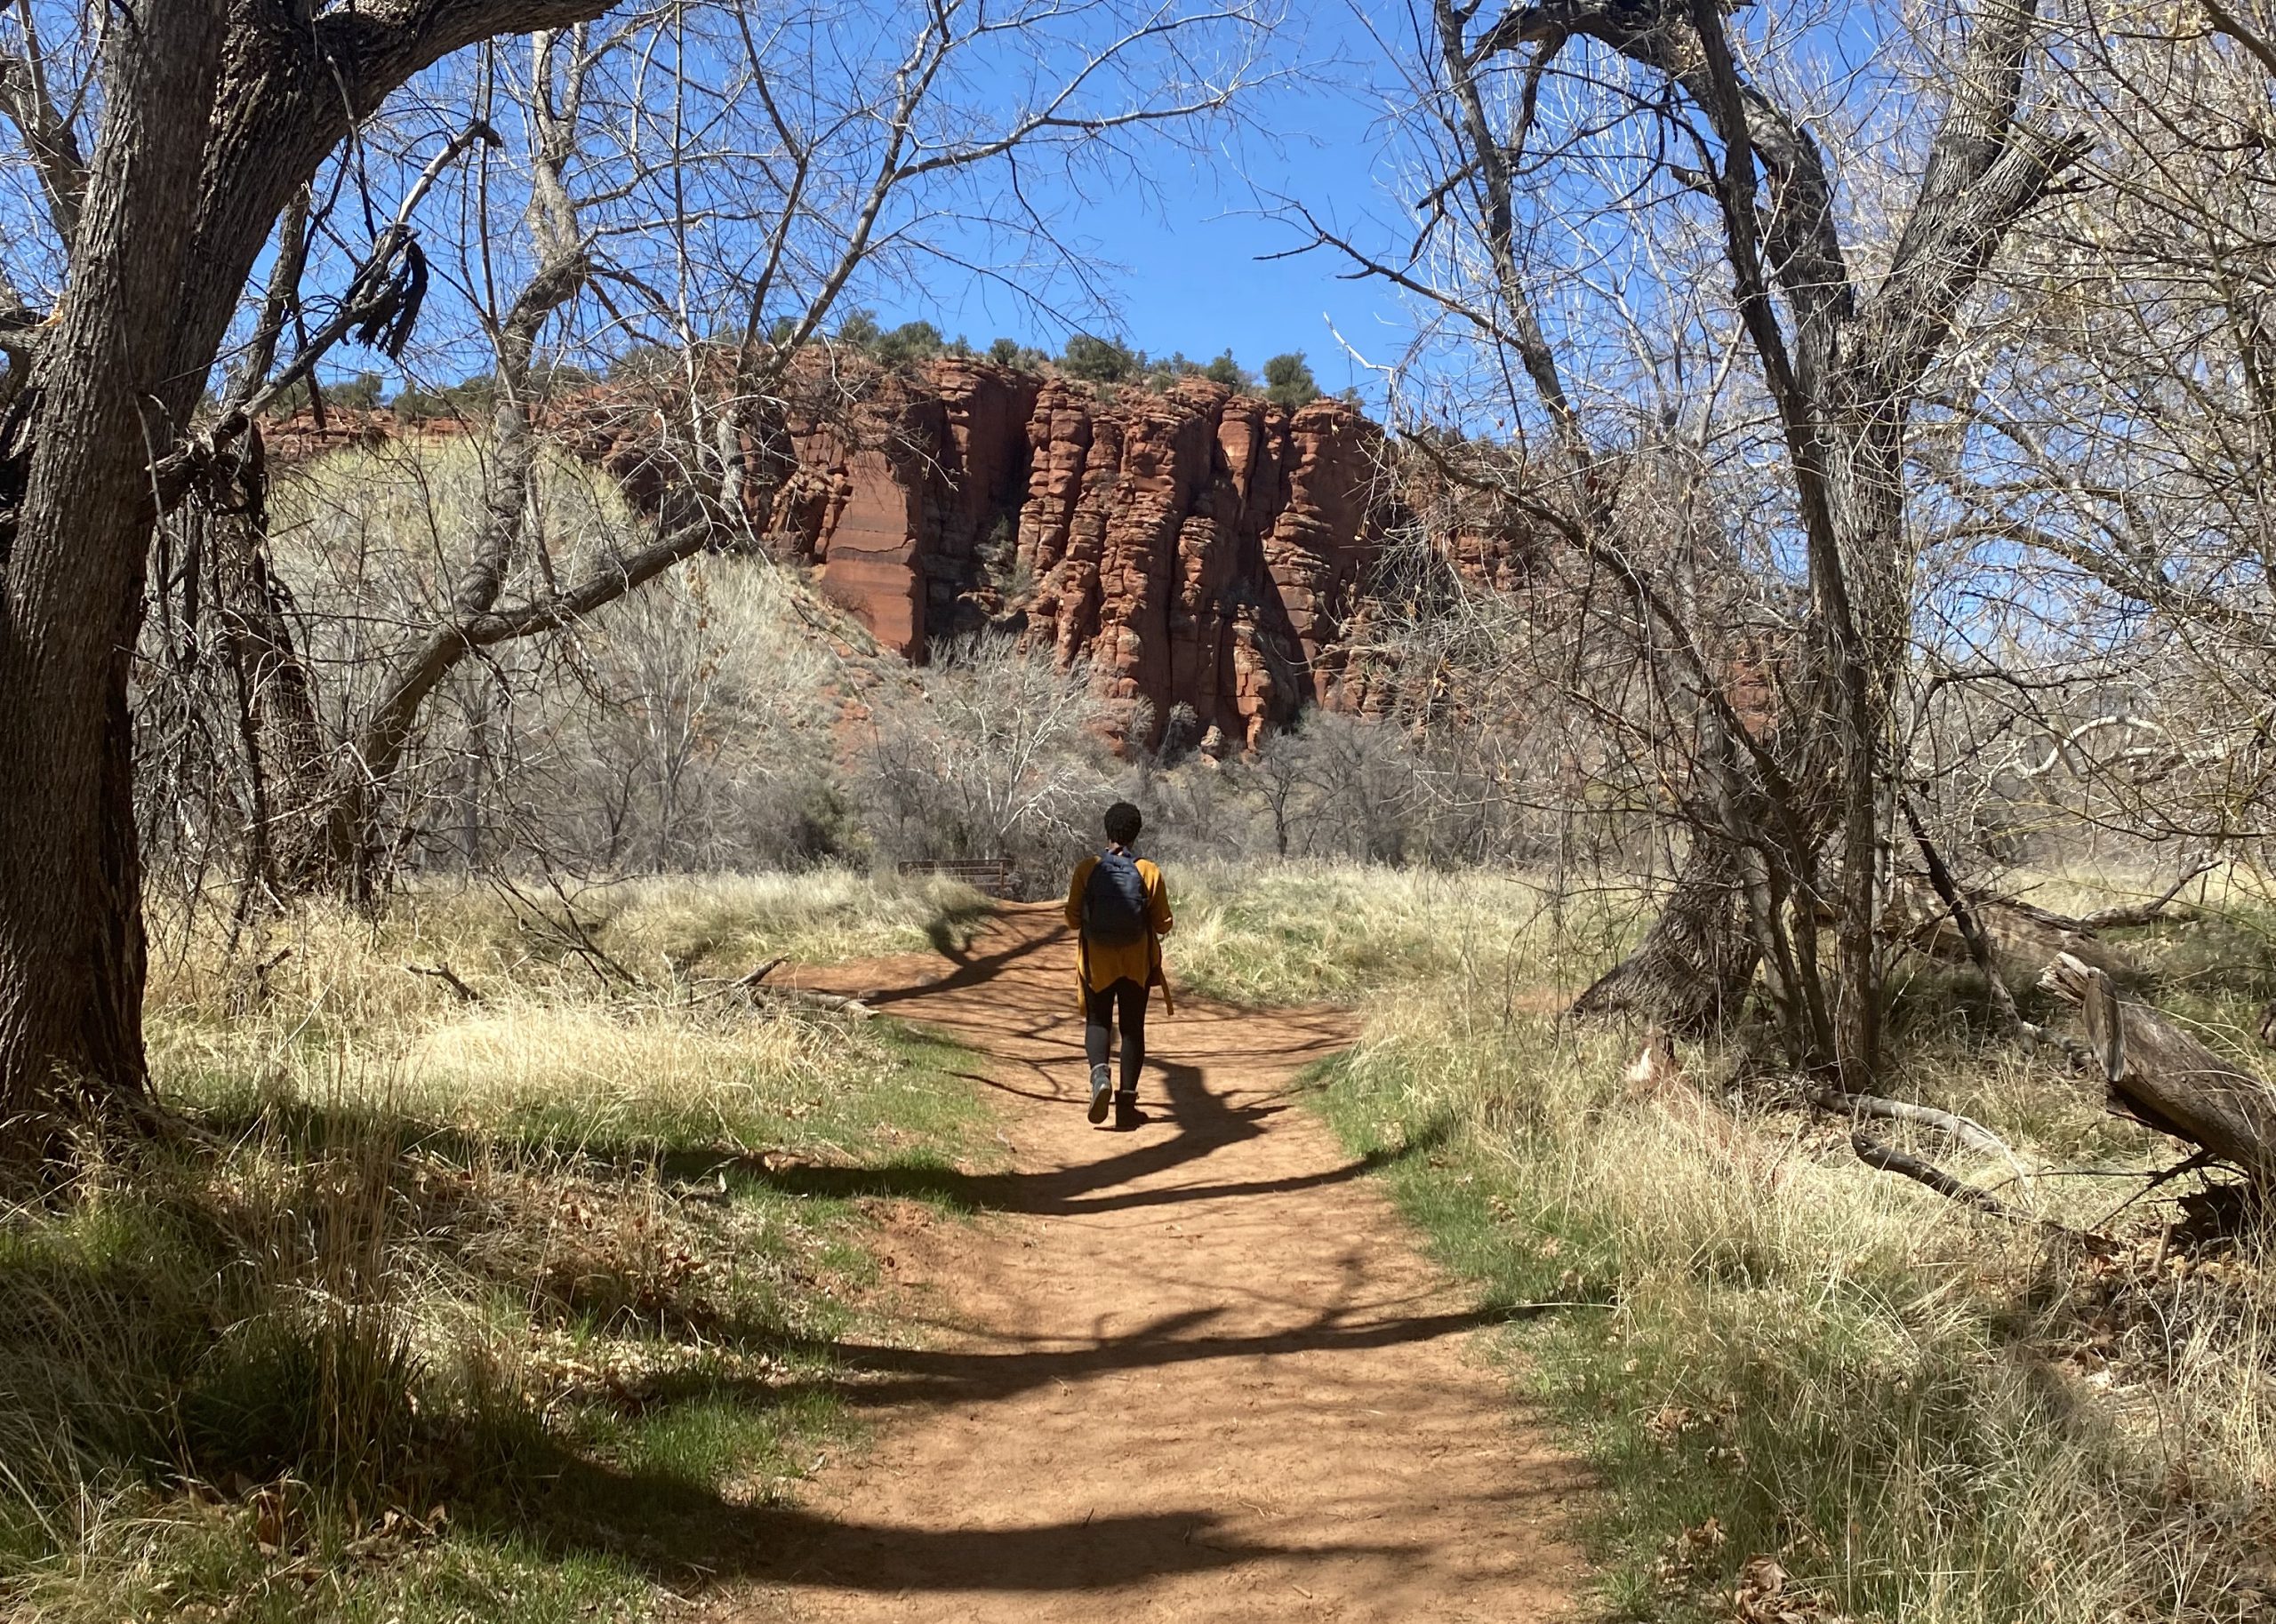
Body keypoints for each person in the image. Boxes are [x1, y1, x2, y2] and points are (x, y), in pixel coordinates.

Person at [1065, 800, 1173, 1129]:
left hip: (1097, 962)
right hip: (1136, 963)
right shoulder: (1149, 872)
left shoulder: (1087, 869)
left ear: (1107, 830)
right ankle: (1126, 1109)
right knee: (1132, 1029)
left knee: (1098, 1022)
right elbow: (1164, 924)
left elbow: (1071, 920)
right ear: (1136, 833)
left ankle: (1100, 1077)